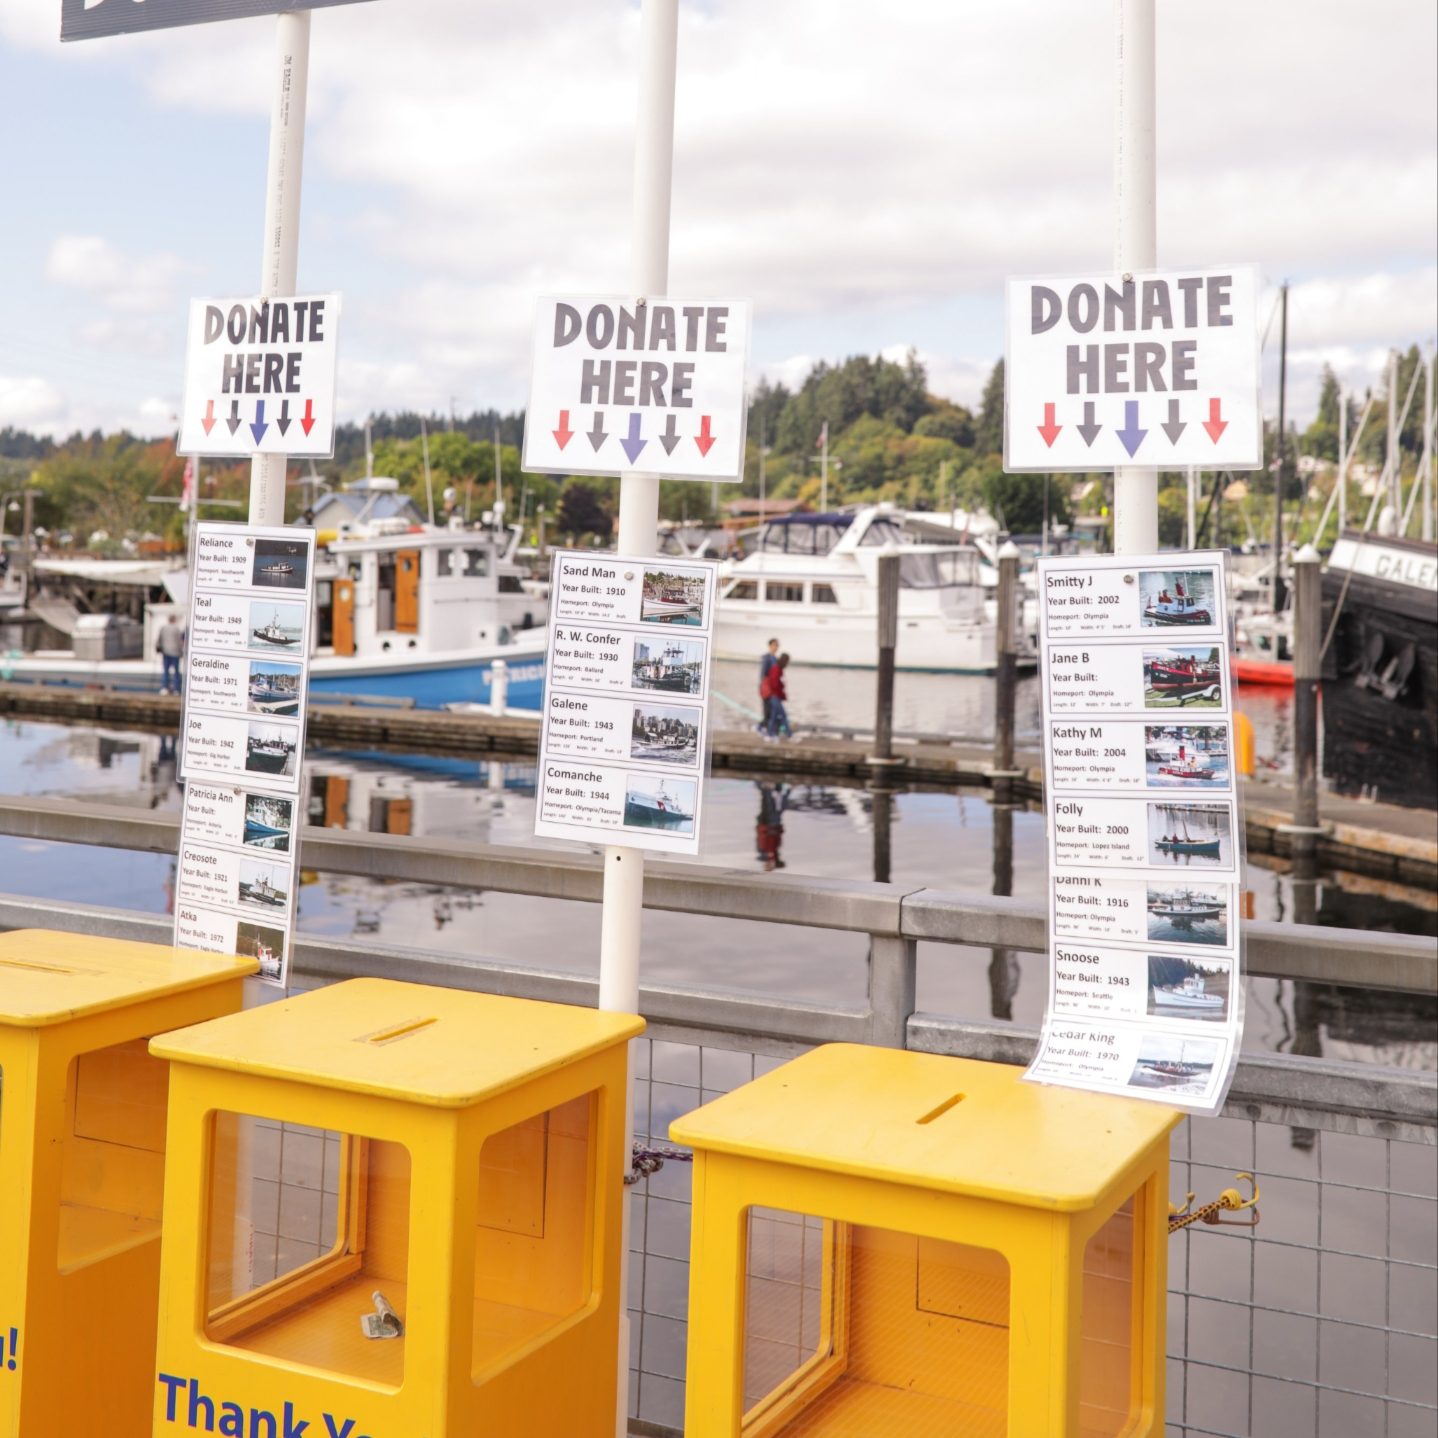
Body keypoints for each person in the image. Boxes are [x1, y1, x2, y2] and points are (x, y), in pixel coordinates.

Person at [761, 652, 792, 740]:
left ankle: (770, 734)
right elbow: (774, 685)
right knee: (783, 715)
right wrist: (781, 694)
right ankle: (789, 734)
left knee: (774, 716)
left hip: (776, 696)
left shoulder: (778, 669)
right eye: (787, 661)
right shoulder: (776, 669)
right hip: (775, 696)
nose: (788, 664)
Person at [156, 610, 186, 695]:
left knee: (166, 671)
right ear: (174, 620)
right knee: (176, 671)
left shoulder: (163, 628)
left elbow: (159, 639)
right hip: (175, 653)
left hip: (166, 652)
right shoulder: (177, 629)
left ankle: (165, 688)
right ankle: (176, 689)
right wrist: (181, 652)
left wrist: (158, 647)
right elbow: (179, 642)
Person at [755, 637, 780, 734]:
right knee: (767, 712)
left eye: (777, 645)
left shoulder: (775, 659)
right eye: (774, 645)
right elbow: (763, 675)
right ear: (769, 646)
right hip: (767, 690)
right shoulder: (767, 658)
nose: (776, 647)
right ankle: (760, 728)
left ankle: (766, 729)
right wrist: (763, 689)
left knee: (772, 712)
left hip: (774, 690)